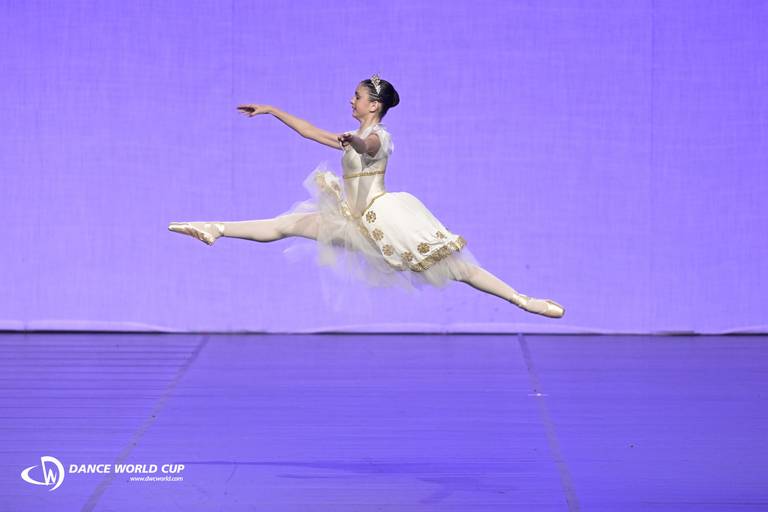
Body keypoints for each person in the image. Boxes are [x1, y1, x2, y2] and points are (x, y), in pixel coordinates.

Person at [169, 74, 565, 318]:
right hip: (351, 221)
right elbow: (310, 131)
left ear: (373, 105)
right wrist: (272, 110)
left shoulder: (379, 136)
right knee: (286, 224)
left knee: (457, 269)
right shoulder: (349, 136)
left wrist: (356, 140)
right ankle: (215, 228)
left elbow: (369, 145)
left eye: (356, 96)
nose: (351, 100)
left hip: (385, 218)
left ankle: (521, 299)